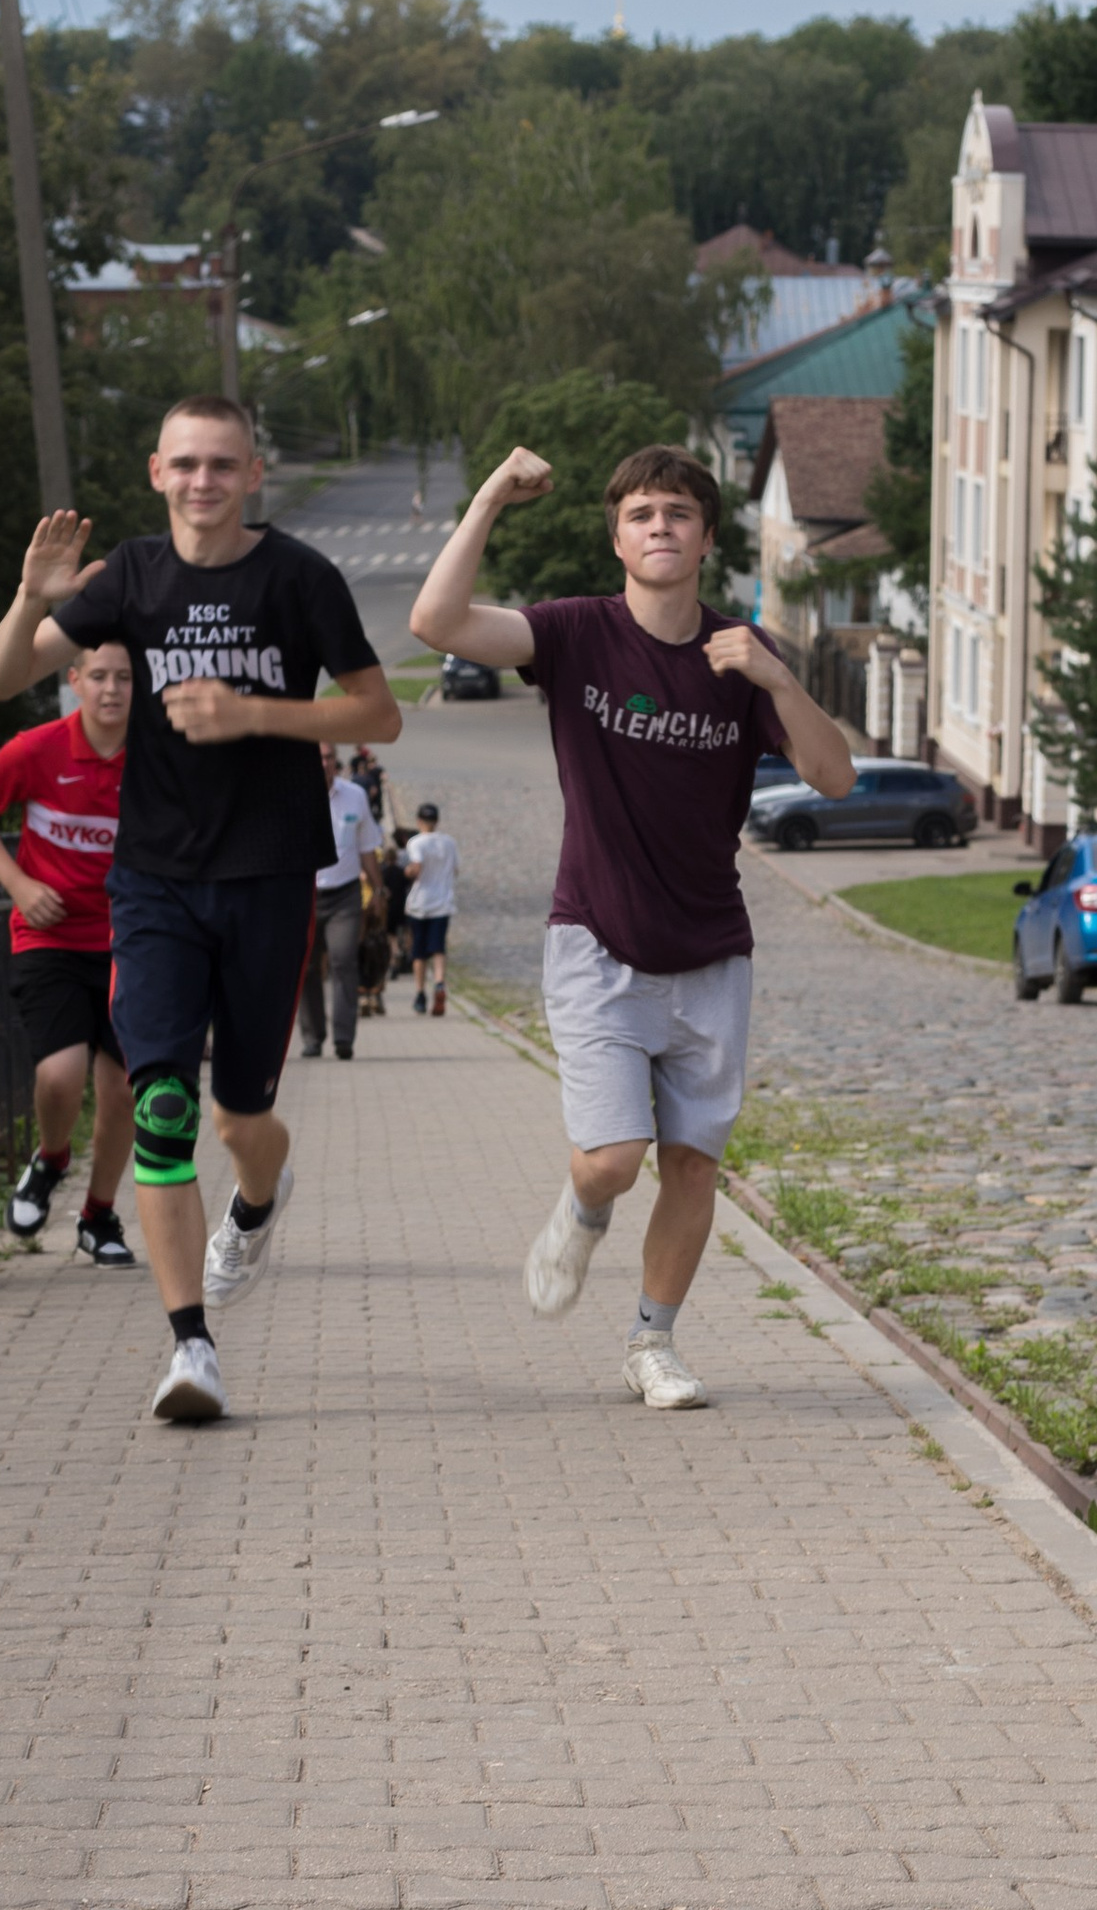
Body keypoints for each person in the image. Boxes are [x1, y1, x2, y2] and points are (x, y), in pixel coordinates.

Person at [0, 396, 401, 1428]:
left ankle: (259, 1198)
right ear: (156, 472)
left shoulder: (298, 576)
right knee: (163, 1106)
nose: (204, 481)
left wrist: (252, 713)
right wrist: (30, 597)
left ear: (253, 474)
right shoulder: (127, 574)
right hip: (154, 880)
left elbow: (378, 711)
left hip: (267, 878)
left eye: (224, 465)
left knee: (239, 1118)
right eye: (187, 465)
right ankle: (192, 1346)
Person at [409, 437, 852, 1409]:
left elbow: (834, 776)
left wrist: (777, 682)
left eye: (679, 514)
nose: (661, 527)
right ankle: (579, 1211)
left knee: (693, 1162)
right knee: (612, 1160)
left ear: (704, 541)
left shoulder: (745, 653)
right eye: (642, 514)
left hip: (711, 952)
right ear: (617, 536)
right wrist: (490, 494)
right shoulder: (576, 633)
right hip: (596, 940)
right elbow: (434, 620)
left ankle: (651, 1342)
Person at [0, 636, 137, 1262]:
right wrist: (19, 883)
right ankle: (52, 1158)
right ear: (76, 680)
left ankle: (99, 1217)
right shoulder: (38, 749)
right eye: (100, 676)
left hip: (132, 942)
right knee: (60, 1076)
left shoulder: (159, 759)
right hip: (50, 936)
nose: (112, 689)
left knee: (123, 1090)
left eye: (126, 678)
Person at [300, 743, 376, 1061]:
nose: (324, 763)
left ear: (336, 762)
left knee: (344, 960)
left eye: (329, 757)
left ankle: (344, 1038)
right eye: (318, 757)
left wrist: (379, 888)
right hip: (305, 894)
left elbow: (368, 845)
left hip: (345, 893)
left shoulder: (354, 796)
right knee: (306, 968)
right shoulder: (293, 794)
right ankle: (313, 1036)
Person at [401, 802, 458, 1018]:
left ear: (419, 821)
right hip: (442, 902)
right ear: (436, 821)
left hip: (419, 903)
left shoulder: (416, 842)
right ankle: (440, 983)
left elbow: (416, 868)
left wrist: (406, 873)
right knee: (438, 948)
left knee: (418, 952)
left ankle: (419, 994)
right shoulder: (449, 842)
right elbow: (455, 869)